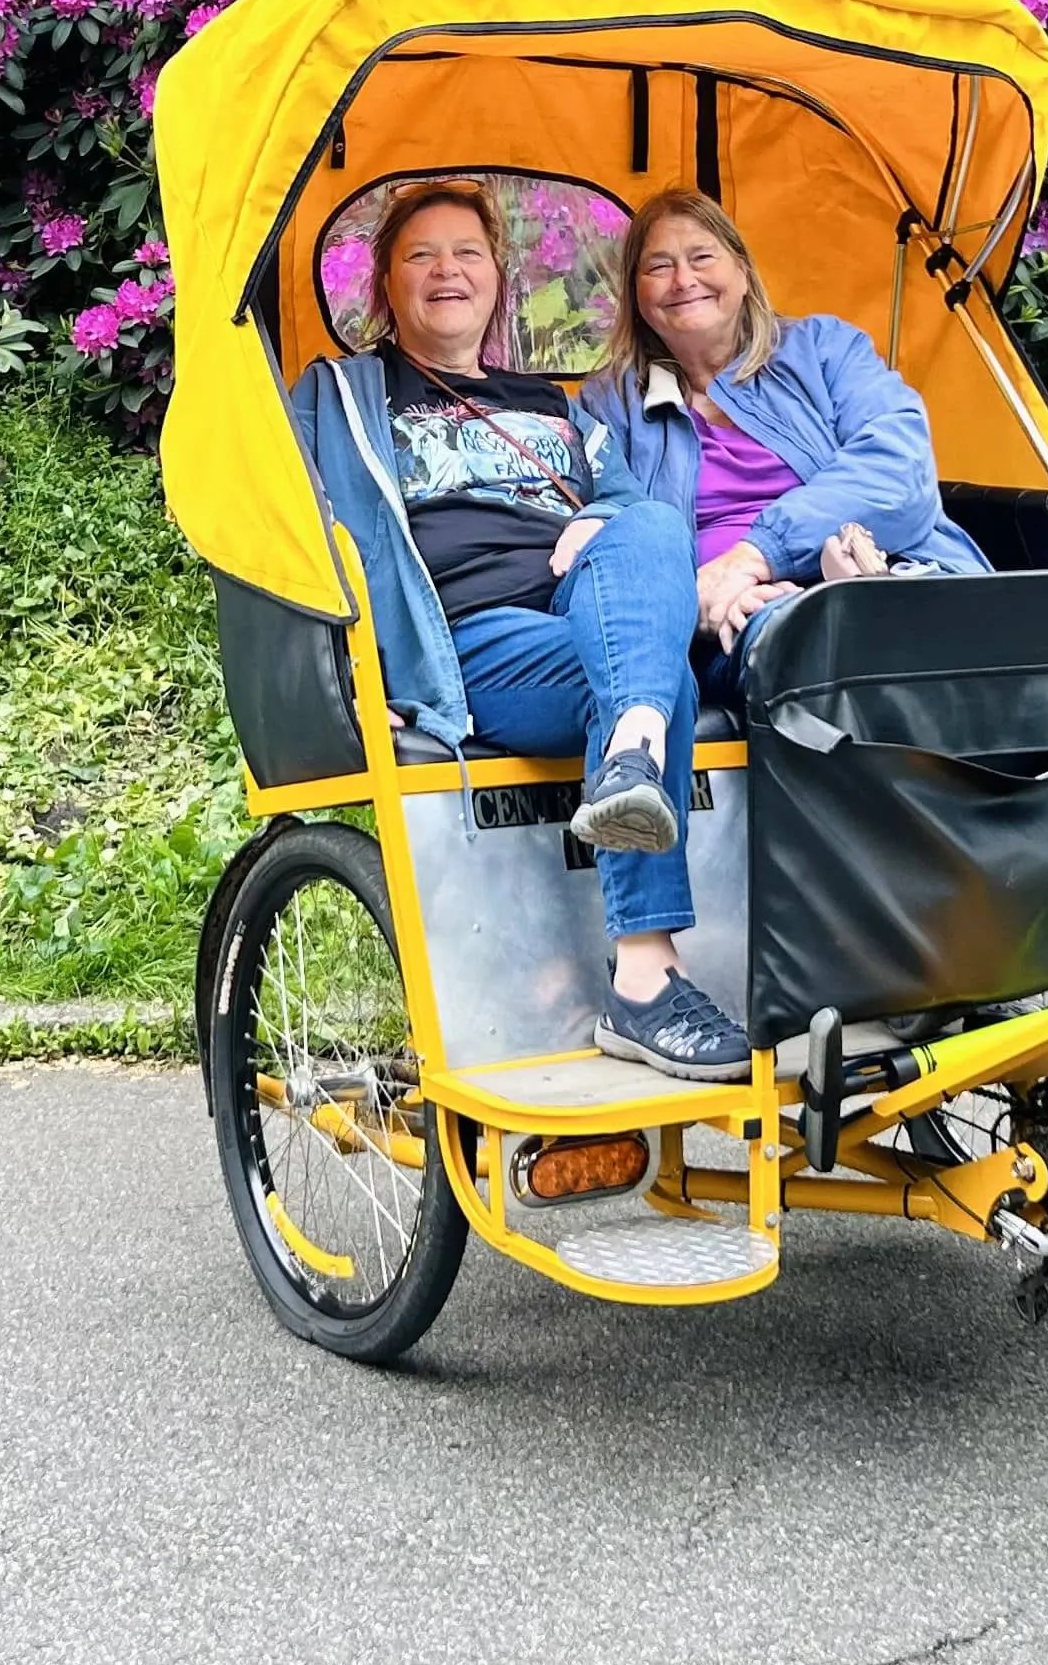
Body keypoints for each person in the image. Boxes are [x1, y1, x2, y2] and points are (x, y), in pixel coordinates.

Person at [288, 181, 752, 1083]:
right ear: (385, 283)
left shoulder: (551, 404)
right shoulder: (342, 396)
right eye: (421, 255)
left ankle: (630, 747)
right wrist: (344, 669)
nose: (447, 270)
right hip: (467, 633)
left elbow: (627, 503)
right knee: (663, 677)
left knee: (652, 524)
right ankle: (646, 978)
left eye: (467, 252)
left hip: (582, 612)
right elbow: (297, 533)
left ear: (498, 279)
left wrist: (599, 520)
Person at [581, 191, 989, 692]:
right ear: (636, 295)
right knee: (806, 643)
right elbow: (608, 539)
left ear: (743, 271)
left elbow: (898, 466)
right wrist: (690, 602)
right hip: (739, 622)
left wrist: (755, 555)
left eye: (702, 257)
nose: (683, 280)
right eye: (659, 267)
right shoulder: (611, 404)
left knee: (951, 629)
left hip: (889, 571)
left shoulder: (822, 349)